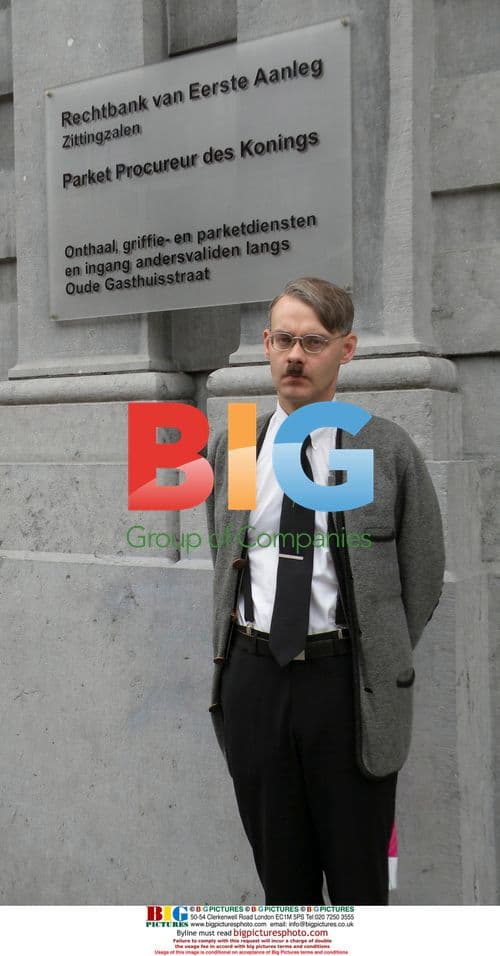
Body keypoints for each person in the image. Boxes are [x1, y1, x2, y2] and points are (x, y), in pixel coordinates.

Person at [206, 277, 445, 905]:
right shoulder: (235, 442)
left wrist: (375, 647)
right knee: (282, 885)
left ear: (346, 349)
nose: (294, 356)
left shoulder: (383, 447)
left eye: (313, 342)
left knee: (362, 881)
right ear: (265, 344)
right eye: (283, 339)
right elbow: (227, 553)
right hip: (255, 681)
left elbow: (421, 573)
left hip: (347, 690)